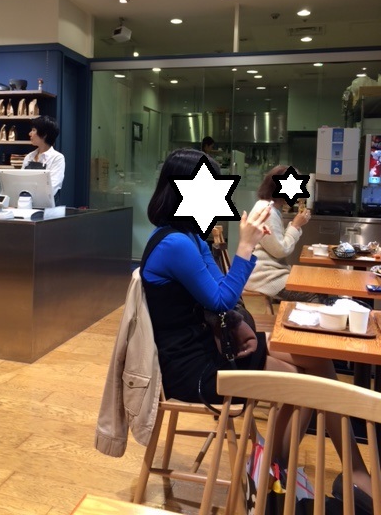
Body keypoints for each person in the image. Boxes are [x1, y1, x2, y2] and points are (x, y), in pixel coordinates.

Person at [140, 149, 373, 508]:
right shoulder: (174, 243)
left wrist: (237, 321)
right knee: (303, 385)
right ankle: (271, 473)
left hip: (213, 347)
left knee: (317, 360)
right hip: (192, 368)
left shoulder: (190, 238)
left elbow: (223, 294)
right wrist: (246, 245)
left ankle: (333, 471)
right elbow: (222, 298)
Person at [245, 164, 320, 303]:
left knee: (314, 287)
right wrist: (296, 225)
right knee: (313, 295)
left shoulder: (267, 207)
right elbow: (280, 250)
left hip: (265, 272)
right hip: (265, 277)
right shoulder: (267, 211)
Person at [22, 115, 65, 206]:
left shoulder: (57, 158)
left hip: (49, 209)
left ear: (44, 135)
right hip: (27, 206)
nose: (30, 134)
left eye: (33, 130)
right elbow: (21, 182)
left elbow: (51, 188)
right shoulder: (29, 157)